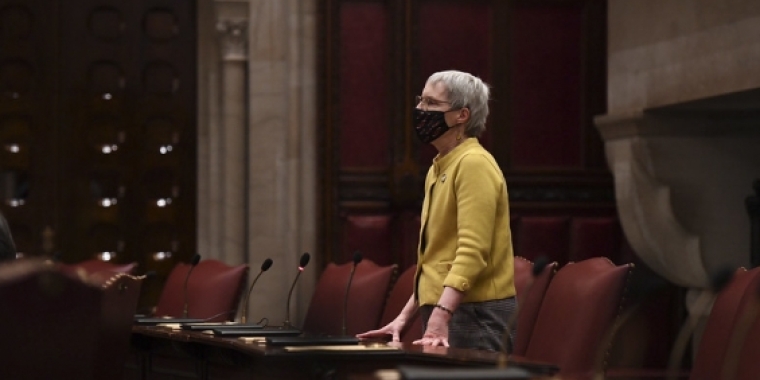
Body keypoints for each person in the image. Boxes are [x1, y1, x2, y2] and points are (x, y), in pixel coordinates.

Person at [357, 70, 517, 351]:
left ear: (461, 115)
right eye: (421, 100)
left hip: (475, 314)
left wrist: (442, 314)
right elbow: (436, 261)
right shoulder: (439, 167)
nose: (420, 109)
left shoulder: (474, 164)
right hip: (450, 308)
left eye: (431, 103)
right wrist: (403, 318)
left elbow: (472, 251)